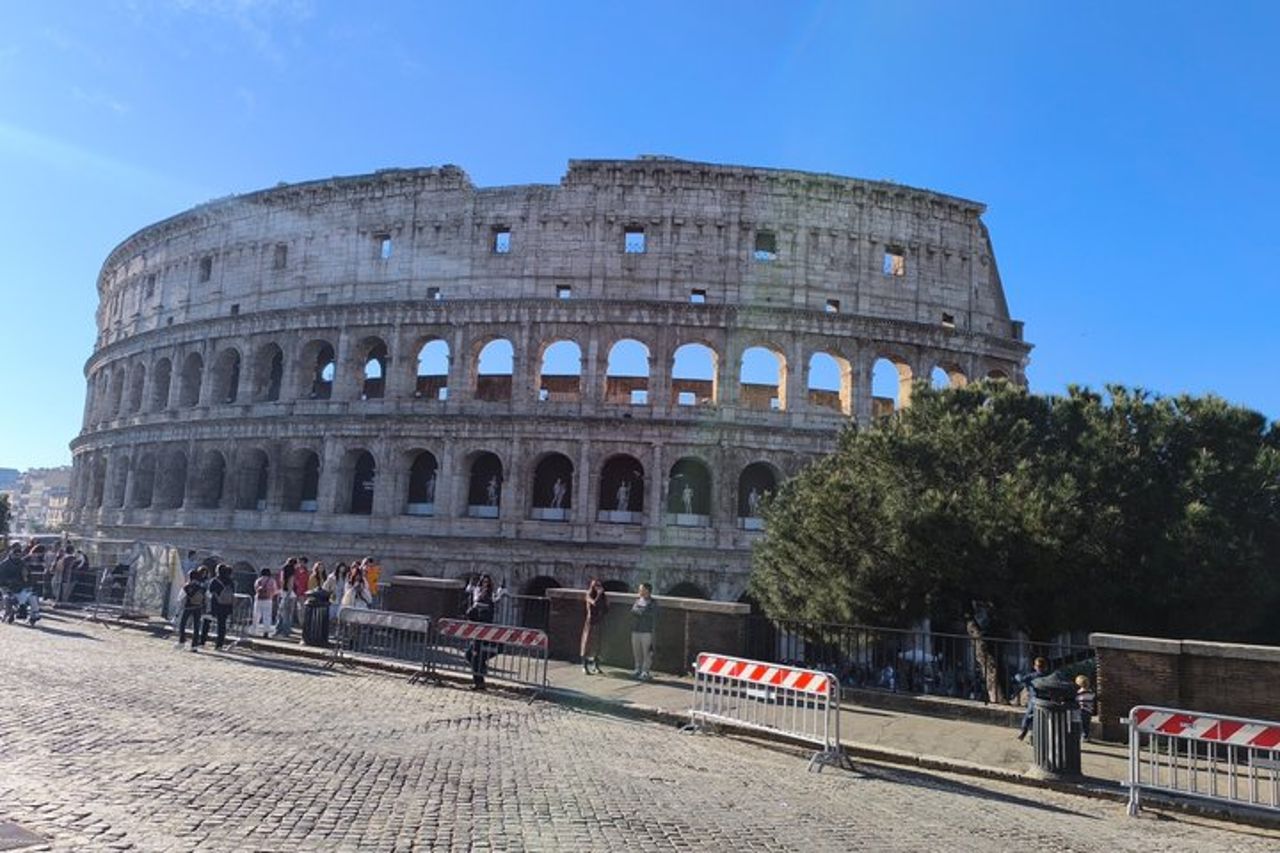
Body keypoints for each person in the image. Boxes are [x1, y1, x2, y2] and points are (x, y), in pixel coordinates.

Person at [464, 574, 498, 690]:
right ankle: (480, 678)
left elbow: (490, 613)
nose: (485, 585)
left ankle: (479, 682)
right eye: (483, 582)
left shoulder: (491, 596)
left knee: (474, 655)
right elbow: (471, 612)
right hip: (476, 628)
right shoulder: (476, 593)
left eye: (487, 583)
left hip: (484, 629)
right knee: (471, 655)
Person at [1014, 656, 1051, 741]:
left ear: (1035, 666)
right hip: (1046, 699)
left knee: (1028, 716)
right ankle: (1035, 735)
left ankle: (1024, 730)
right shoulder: (1048, 676)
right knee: (1041, 718)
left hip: (1034, 699)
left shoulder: (1032, 676)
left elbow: (1021, 679)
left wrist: (1017, 675)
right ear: (1045, 667)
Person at [580, 579, 609, 675]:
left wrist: (604, 600)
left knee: (598, 644)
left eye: (599, 585)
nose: (598, 588)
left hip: (599, 622)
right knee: (587, 643)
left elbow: (606, 609)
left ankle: (596, 665)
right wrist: (599, 594)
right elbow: (594, 603)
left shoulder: (602, 596)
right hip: (590, 622)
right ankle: (584, 666)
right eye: (596, 586)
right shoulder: (589, 595)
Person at [205, 563, 236, 650]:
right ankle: (219, 644)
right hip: (227, 605)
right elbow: (233, 592)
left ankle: (202, 640)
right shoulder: (230, 581)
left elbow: (210, 591)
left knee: (207, 621)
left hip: (216, 604)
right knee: (222, 625)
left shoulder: (215, 580)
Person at [630, 583, 657, 680]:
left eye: (641, 589)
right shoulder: (637, 600)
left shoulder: (653, 602)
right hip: (636, 629)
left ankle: (645, 671)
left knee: (646, 651)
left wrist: (640, 611)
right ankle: (637, 668)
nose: (639, 591)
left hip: (647, 630)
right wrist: (641, 611)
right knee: (636, 650)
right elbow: (633, 610)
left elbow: (648, 613)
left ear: (647, 590)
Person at [176, 567, 207, 652]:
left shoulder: (187, 586)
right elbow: (205, 598)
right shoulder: (202, 587)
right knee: (196, 627)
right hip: (198, 607)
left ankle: (182, 641)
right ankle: (194, 645)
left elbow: (179, 598)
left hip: (188, 607)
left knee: (182, 624)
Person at [275, 557, 300, 637]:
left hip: (283, 592)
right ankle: (286, 631)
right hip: (290, 594)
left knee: (280, 613)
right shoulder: (291, 571)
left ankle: (278, 629)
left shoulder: (283, 570)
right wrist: (288, 593)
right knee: (288, 614)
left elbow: (282, 581)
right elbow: (290, 583)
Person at [252, 567, 277, 638]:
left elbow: (255, 588)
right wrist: (271, 595)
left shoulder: (258, 580)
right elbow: (274, 590)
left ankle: (254, 630)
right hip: (268, 599)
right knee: (267, 616)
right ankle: (266, 631)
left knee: (256, 615)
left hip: (258, 599)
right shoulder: (272, 581)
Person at [1075, 674, 1096, 741]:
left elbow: (1077, 700)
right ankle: (1086, 736)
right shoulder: (1091, 692)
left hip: (1081, 710)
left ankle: (1083, 736)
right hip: (1089, 710)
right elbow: (1092, 698)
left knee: (1082, 724)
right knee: (1087, 724)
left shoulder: (1079, 693)